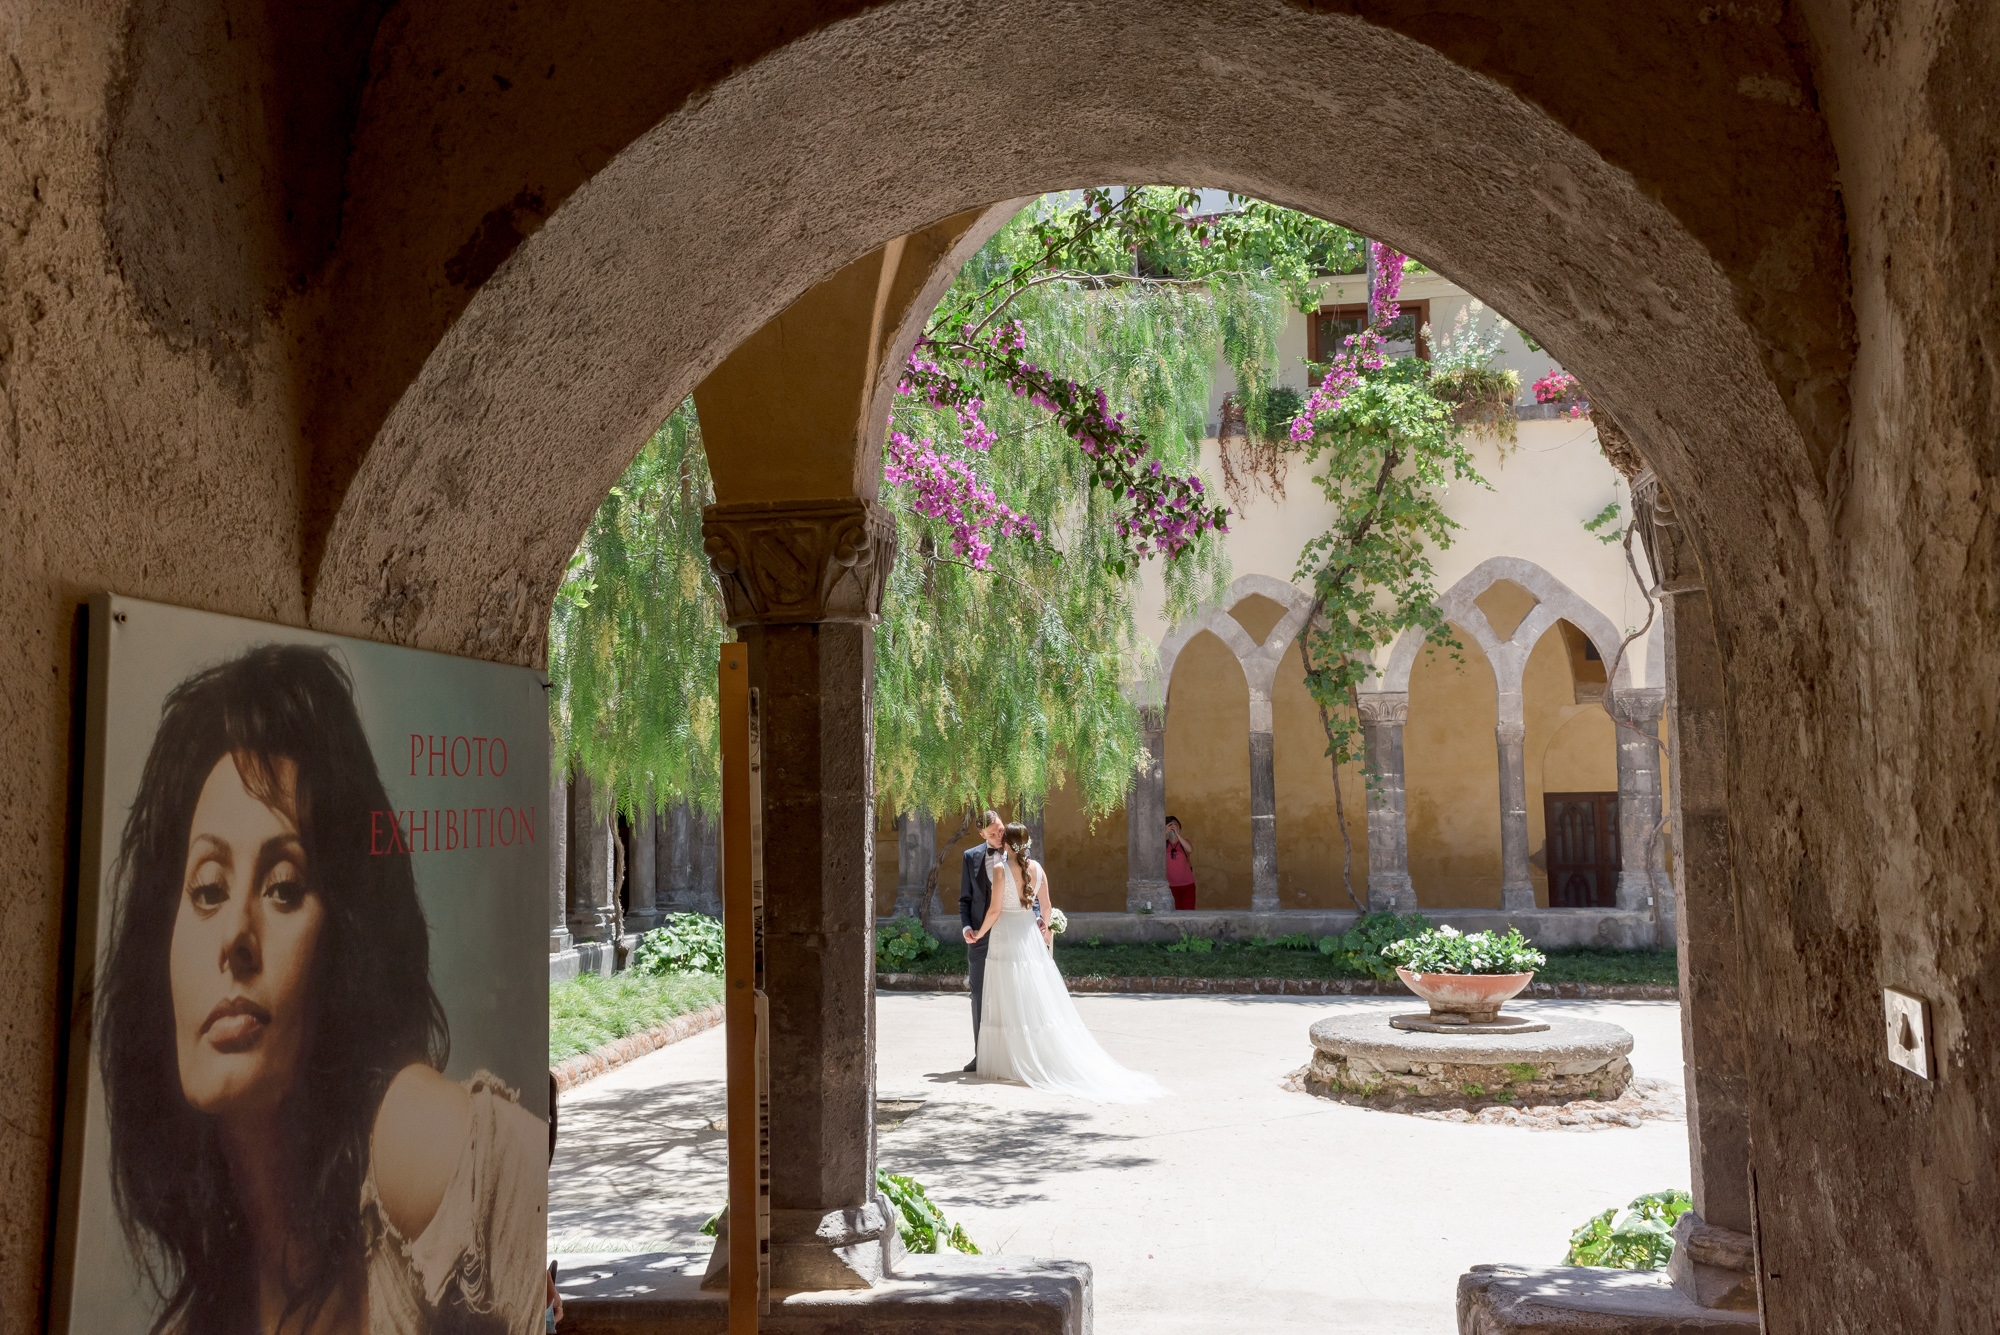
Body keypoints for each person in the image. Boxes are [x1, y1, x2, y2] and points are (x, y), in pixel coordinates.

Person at [96, 644, 547, 1335]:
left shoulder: (412, 1142)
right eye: (208, 889)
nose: (236, 937)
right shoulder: (200, 1317)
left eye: (283, 888)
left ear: (345, 936)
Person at [968, 824, 1164, 1103]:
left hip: (1006, 936)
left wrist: (980, 933)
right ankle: (1032, 1058)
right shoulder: (1037, 868)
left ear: (1007, 845)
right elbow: (1046, 908)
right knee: (1033, 996)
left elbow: (995, 909)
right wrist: (1045, 931)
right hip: (1028, 936)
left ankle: (1011, 1063)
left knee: (1008, 995)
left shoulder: (1000, 868)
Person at [957, 809, 1006, 1071]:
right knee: (978, 994)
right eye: (993, 833)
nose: (1000, 835)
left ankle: (1010, 1054)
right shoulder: (970, 857)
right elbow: (964, 900)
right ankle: (981, 1055)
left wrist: (1038, 920)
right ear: (981, 835)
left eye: (1000, 828)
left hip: (1009, 934)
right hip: (979, 936)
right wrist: (966, 927)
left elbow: (1028, 894)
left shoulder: (1018, 852)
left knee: (1009, 994)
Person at [1166, 815, 1198, 910]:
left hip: (1187, 885)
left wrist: (1177, 834)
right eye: (1170, 825)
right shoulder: (1163, 844)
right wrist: (1163, 831)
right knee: (1175, 914)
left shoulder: (1185, 842)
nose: (1173, 827)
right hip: (1170, 886)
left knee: (1188, 913)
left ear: (1180, 828)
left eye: (1175, 825)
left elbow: (1189, 849)